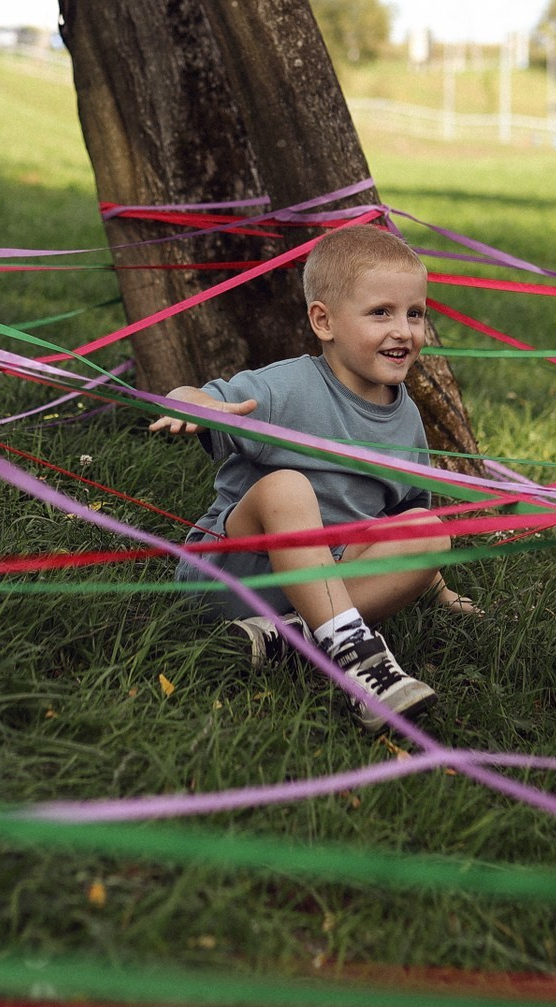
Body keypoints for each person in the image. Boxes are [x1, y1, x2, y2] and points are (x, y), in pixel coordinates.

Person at [149, 223, 472, 727]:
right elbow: (202, 395)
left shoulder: (406, 417)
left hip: (328, 579)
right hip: (234, 573)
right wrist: (190, 404)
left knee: (431, 532)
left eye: (415, 313)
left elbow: (404, 513)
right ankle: (357, 659)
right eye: (380, 312)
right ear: (324, 321)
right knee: (288, 486)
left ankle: (290, 637)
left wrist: (439, 589)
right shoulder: (286, 387)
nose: (403, 330)